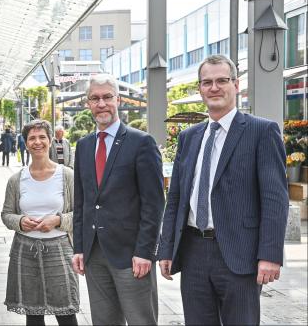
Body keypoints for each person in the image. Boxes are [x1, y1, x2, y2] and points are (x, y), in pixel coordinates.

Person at [157, 55, 289, 324]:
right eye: (207, 82)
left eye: (221, 80)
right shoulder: (189, 137)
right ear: (200, 88)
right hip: (193, 251)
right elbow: (177, 198)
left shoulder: (261, 131)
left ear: (236, 84)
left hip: (240, 253)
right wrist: (167, 248)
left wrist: (270, 255)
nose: (214, 87)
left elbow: (275, 199)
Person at [72, 74, 164, 325]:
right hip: (94, 254)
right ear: (87, 103)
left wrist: (145, 251)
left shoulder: (141, 142)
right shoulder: (83, 146)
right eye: (95, 98)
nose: (101, 104)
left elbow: (154, 204)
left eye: (107, 97)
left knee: (140, 320)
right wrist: (79, 247)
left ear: (118, 100)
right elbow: (81, 202)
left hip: (131, 255)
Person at [1, 120, 79, 326]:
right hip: (25, 250)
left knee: (66, 312)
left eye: (42, 137)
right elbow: (6, 214)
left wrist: (58, 220)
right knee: (33, 313)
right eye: (32, 138)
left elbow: (82, 214)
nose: (37, 142)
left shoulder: (67, 175)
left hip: (60, 249)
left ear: (51, 140)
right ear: (25, 143)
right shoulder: (17, 180)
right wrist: (20, 221)